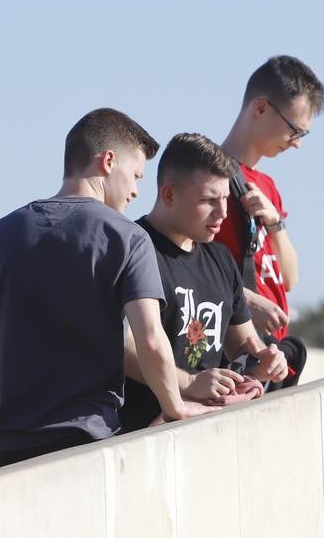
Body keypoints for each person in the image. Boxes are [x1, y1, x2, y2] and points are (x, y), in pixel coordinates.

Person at [0, 108, 198, 475]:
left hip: (0, 448)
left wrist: (2, 425)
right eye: (135, 176)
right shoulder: (128, 237)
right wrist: (175, 408)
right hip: (82, 447)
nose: (136, 190)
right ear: (108, 161)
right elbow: (150, 341)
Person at [118, 133, 288, 434]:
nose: (222, 213)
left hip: (208, 435)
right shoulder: (132, 248)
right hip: (139, 438)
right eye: (209, 200)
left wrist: (264, 361)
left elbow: (243, 345)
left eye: (224, 199)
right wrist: (188, 383)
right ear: (169, 195)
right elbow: (121, 344)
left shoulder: (220, 260)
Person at [213, 55, 324, 389]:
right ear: (260, 108)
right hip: (239, 350)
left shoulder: (268, 187)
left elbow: (290, 278)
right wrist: (244, 299)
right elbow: (185, 262)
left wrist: (275, 222)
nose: (297, 143)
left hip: (274, 351)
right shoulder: (209, 179)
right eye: (294, 129)